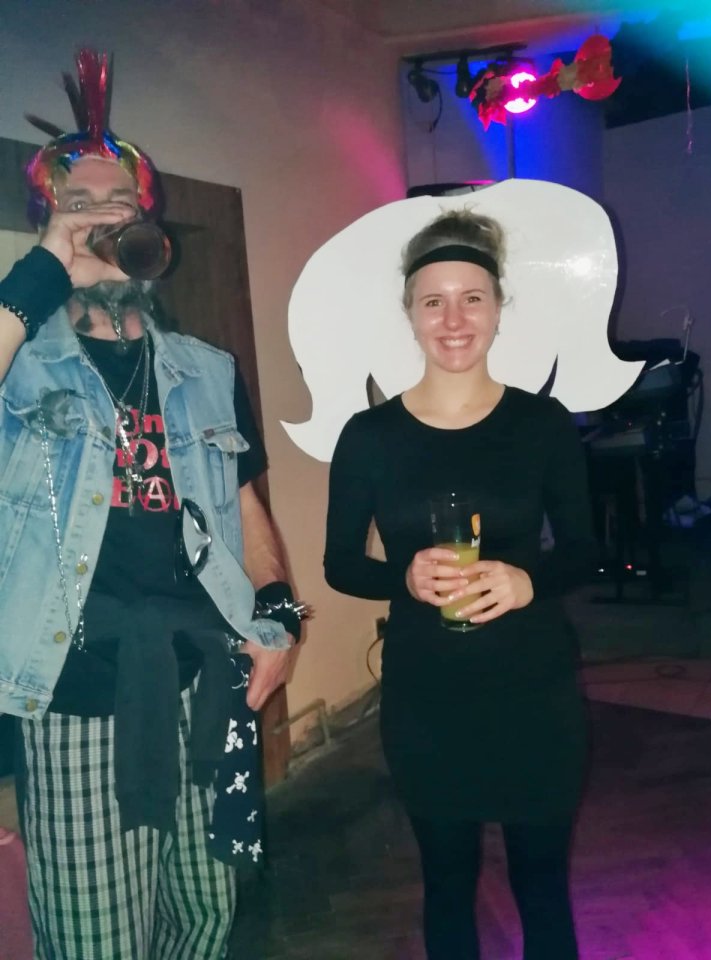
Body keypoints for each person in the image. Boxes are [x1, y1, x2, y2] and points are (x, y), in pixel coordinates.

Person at [0, 50, 305, 959]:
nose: (104, 220)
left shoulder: (206, 370)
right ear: (47, 222)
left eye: (120, 204)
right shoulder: (23, 367)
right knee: (98, 939)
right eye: (79, 204)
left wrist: (278, 615)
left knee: (204, 917)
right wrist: (44, 272)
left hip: (205, 676)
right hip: (80, 694)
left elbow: (244, 505)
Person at [324, 209, 597, 960]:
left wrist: (527, 580)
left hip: (535, 691)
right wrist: (405, 577)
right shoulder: (369, 437)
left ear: (499, 307)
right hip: (428, 697)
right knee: (446, 883)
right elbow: (340, 564)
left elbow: (585, 551)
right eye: (433, 300)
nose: (453, 319)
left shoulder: (543, 424)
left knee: (543, 886)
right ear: (409, 313)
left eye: (472, 298)